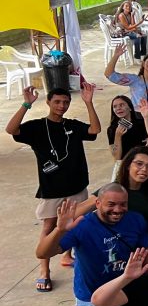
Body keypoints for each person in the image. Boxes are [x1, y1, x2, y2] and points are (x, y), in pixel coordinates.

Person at [7, 83, 101, 291]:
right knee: (49, 227)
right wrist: (26, 104)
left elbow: (95, 130)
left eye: (65, 102)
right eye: (57, 102)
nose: (61, 106)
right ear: (48, 102)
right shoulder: (37, 127)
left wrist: (88, 102)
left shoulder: (72, 125)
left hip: (77, 186)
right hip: (52, 189)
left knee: (75, 224)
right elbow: (11, 129)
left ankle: (67, 255)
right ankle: (44, 271)